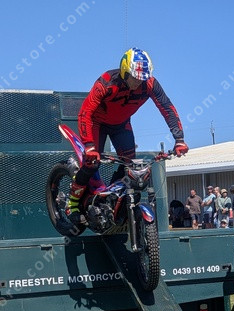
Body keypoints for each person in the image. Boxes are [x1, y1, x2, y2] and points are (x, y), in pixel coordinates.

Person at [69, 48, 188, 222]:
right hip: (96, 123)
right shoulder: (107, 81)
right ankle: (72, 203)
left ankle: (110, 202)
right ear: (125, 72)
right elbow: (85, 112)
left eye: (142, 78)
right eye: (135, 77)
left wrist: (179, 139)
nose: (139, 82)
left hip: (121, 125)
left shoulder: (150, 83)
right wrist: (89, 145)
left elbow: (167, 108)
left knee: (129, 167)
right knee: (91, 163)